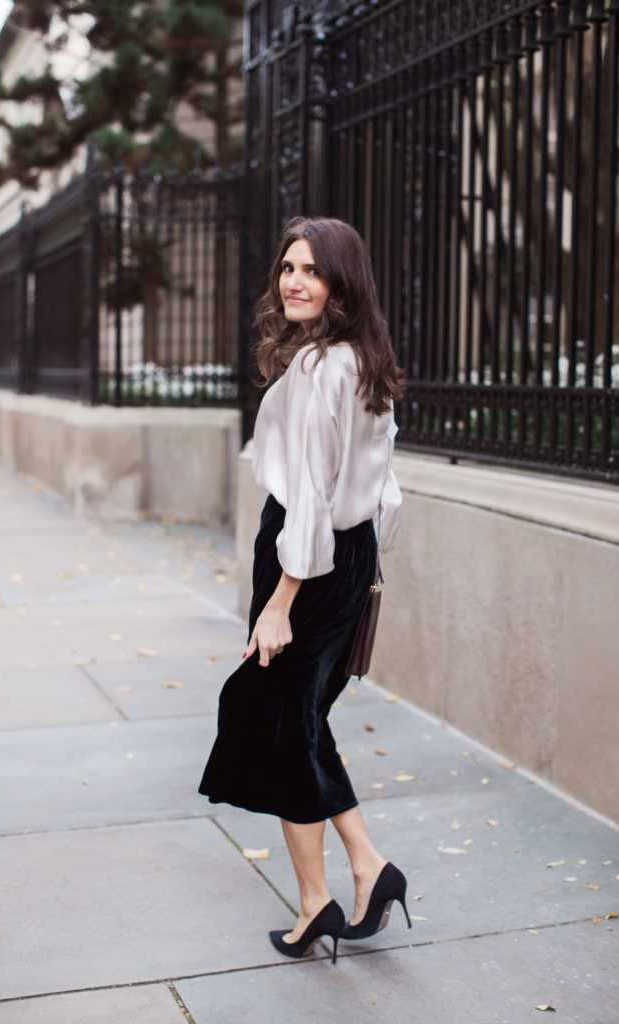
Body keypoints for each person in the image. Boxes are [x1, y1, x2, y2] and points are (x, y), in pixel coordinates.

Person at [199, 216, 410, 964]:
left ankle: (342, 884)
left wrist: (282, 600)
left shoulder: (323, 369)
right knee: (297, 722)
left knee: (279, 718)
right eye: (288, 267)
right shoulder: (364, 362)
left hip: (305, 561)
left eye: (313, 271)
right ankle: (344, 882)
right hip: (341, 559)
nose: (294, 281)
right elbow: (384, 493)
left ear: (342, 284)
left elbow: (312, 499)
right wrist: (354, 567)